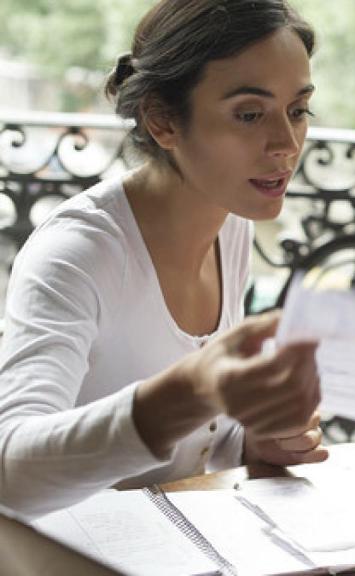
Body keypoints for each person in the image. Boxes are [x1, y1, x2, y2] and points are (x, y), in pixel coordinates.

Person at [0, 0, 327, 519]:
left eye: (298, 110)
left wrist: (256, 440)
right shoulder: (77, 253)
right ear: (162, 121)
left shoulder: (230, 221)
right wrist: (185, 394)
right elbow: (9, 469)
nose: (286, 144)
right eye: (248, 114)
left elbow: (196, 447)